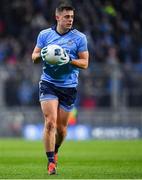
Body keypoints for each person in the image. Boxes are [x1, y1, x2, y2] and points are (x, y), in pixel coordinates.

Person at [32, 2, 89, 175]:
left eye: (71, 17)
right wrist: (42, 55)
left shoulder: (80, 38)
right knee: (50, 122)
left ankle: (55, 150)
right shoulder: (44, 35)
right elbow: (34, 56)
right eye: (66, 17)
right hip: (48, 83)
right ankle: (51, 162)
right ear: (58, 17)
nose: (70, 20)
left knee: (61, 128)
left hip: (68, 86)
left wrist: (68, 60)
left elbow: (85, 63)